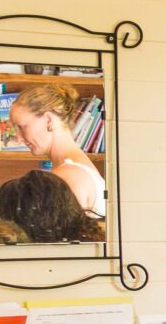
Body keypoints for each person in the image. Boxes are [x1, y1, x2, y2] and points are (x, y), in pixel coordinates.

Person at [8, 82, 109, 221]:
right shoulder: (73, 168)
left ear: (49, 120)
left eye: (22, 127)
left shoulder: (69, 176)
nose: (18, 138)